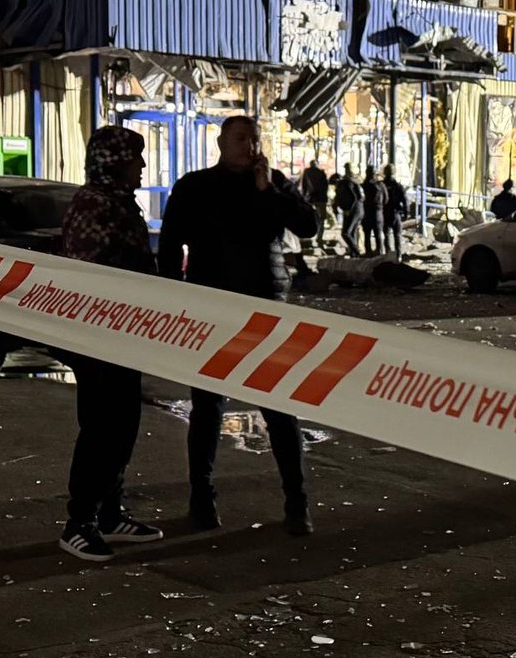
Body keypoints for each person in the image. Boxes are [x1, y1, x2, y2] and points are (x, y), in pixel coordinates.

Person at [158, 115, 321, 534]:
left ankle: (296, 502)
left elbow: (308, 226)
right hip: (212, 304)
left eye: (255, 139)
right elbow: (172, 242)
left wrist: (270, 190)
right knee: (208, 406)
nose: (249, 146)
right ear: (221, 141)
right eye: (241, 138)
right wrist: (172, 296)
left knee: (278, 405)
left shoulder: (273, 182)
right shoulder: (195, 187)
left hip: (267, 303)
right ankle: (202, 500)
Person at [53, 126, 166, 562]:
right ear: (113, 162)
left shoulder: (119, 204)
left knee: (124, 425)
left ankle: (109, 513)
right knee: (101, 429)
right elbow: (89, 274)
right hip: (99, 339)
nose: (141, 167)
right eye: (134, 159)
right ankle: (79, 521)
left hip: (124, 337)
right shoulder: (94, 205)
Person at [300, 157, 331, 253]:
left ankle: (312, 238)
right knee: (321, 219)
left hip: (310, 199)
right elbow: (325, 187)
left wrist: (305, 197)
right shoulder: (321, 173)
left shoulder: (306, 173)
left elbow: (304, 186)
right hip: (321, 200)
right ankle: (319, 238)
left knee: (311, 219)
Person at [334, 164, 362, 256]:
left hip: (352, 210)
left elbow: (353, 197)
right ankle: (353, 253)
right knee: (352, 232)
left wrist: (348, 209)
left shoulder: (346, 182)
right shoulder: (356, 181)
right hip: (359, 209)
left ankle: (356, 250)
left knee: (346, 233)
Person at [381, 169, 409, 258]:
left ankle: (388, 254)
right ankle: (398, 255)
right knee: (397, 235)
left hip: (385, 213)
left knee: (386, 235)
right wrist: (406, 212)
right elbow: (405, 200)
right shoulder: (398, 186)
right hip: (395, 213)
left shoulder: (382, 185)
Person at [360, 166, 385, 257]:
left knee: (367, 234)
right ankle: (379, 251)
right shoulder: (380, 185)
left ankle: (368, 252)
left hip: (366, 212)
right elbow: (386, 198)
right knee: (378, 232)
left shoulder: (363, 185)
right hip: (377, 212)